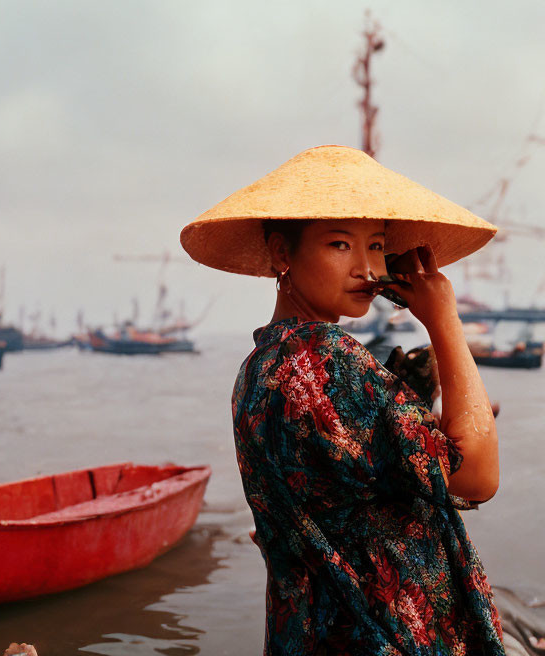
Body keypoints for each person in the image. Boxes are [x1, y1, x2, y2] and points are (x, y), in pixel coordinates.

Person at [180, 145, 505, 654]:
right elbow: (478, 475)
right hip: (381, 637)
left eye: (376, 246)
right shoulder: (330, 359)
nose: (367, 268)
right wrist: (444, 317)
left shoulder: (262, 365)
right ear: (282, 254)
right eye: (339, 244)